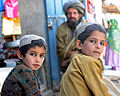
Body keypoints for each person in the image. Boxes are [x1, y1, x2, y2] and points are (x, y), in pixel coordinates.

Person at [60, 22, 112, 96]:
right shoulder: (87, 61)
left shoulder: (78, 59)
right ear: (79, 44)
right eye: (92, 41)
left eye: (102, 43)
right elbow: (101, 92)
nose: (98, 46)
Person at [56, 0, 86, 73]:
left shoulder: (86, 27)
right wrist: (69, 54)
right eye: (69, 13)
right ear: (66, 15)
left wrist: (76, 54)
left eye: (74, 13)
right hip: (67, 62)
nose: (72, 16)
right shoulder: (61, 29)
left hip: (84, 60)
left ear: (79, 15)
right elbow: (60, 51)